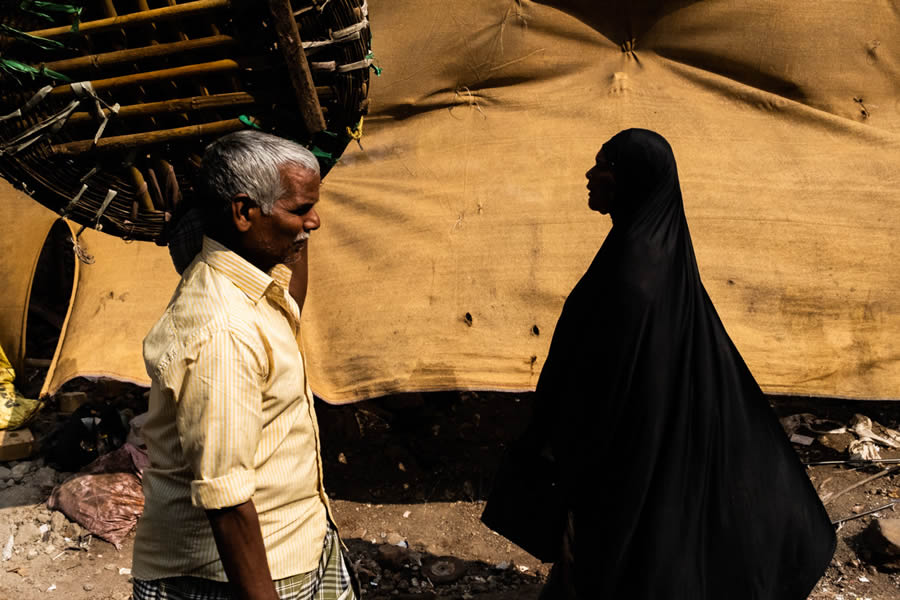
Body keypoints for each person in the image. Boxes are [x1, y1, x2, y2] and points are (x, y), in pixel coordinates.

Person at [483, 129, 835, 599]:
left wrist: (565, 453)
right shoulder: (652, 254)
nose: (590, 175)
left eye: (604, 166)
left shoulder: (634, 275)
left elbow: (602, 386)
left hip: (625, 456)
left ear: (634, 180)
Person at [132, 130, 357, 600]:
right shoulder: (223, 333)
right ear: (243, 212)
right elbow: (227, 501)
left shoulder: (253, 283)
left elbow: (290, 299)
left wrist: (298, 227)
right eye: (299, 210)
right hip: (230, 580)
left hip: (297, 544)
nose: (315, 220)